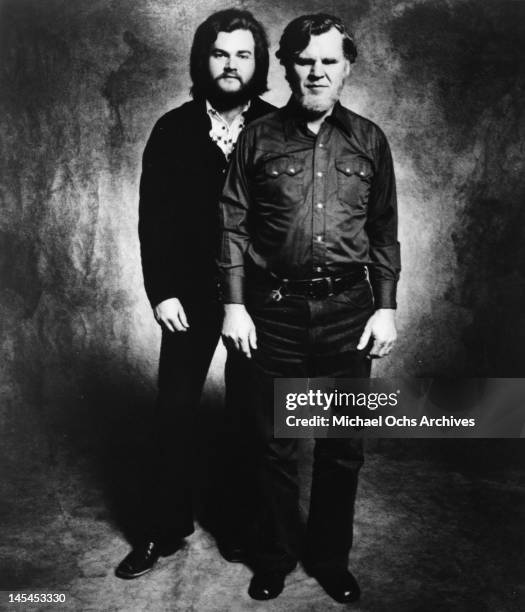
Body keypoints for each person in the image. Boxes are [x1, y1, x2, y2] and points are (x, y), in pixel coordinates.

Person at [219, 13, 400, 602]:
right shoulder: (259, 137)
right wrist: (234, 306)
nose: (316, 71)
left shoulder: (370, 140)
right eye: (304, 60)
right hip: (274, 314)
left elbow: (384, 232)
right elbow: (232, 227)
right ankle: (273, 558)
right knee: (273, 444)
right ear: (288, 67)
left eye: (329, 61)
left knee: (342, 447)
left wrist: (387, 307)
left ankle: (329, 559)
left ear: (347, 68)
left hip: (350, 312)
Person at [115, 8, 275, 580]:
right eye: (219, 53)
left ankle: (240, 528)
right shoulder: (173, 128)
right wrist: (162, 293)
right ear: (201, 60)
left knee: (251, 418)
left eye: (243, 54)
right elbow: (151, 220)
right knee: (175, 413)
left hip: (258, 302)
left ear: (258, 65)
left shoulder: (277, 129)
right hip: (188, 298)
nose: (230, 65)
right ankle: (162, 530)